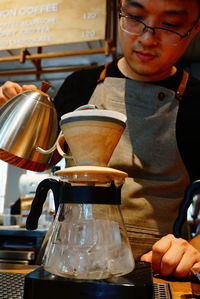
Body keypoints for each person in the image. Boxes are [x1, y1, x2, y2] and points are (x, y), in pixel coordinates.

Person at [0, 0, 200, 278]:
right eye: (134, 17)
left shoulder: (195, 101)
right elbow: (35, 160)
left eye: (169, 25)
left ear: (193, 27)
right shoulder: (79, 86)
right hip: (68, 258)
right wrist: (14, 117)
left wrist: (194, 248)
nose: (146, 38)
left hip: (156, 268)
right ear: (120, 10)